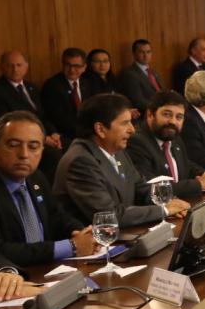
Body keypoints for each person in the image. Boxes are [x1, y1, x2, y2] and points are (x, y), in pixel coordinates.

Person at [52, 93, 190, 226]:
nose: (132, 130)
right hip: (96, 239)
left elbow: (141, 188)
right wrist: (164, 210)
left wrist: (170, 202)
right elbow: (109, 216)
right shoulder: (81, 161)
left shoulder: (117, 151)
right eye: (125, 123)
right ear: (100, 129)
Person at [0, 111, 96, 264]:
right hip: (12, 274)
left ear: (42, 150)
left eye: (33, 147)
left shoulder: (36, 177)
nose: (24, 154)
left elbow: (56, 217)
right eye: (13, 145)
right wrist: (71, 246)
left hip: (49, 269)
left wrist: (81, 233)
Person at [126, 91, 205, 199]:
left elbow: (185, 164)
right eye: (167, 114)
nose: (173, 122)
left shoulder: (173, 137)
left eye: (179, 117)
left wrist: (204, 174)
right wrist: (199, 184)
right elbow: (152, 187)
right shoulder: (137, 142)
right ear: (150, 115)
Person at [0, 51, 58, 147]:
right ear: (1, 67)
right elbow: (4, 124)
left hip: (42, 134)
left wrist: (53, 133)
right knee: (54, 153)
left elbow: (42, 115)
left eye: (19, 65)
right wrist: (43, 138)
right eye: (10, 65)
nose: (15, 69)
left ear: (26, 66)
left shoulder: (31, 87)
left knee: (67, 145)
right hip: (20, 140)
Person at [39, 47, 88, 145]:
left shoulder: (87, 83)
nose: (72, 70)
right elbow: (54, 117)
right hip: (64, 135)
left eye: (76, 66)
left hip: (86, 132)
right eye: (68, 65)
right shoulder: (52, 85)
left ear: (84, 67)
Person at [118, 39, 165, 112]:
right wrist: (160, 108)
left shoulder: (154, 72)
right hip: (146, 112)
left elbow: (162, 91)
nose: (146, 55)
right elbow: (138, 101)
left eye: (148, 52)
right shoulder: (129, 73)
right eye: (141, 52)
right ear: (134, 54)